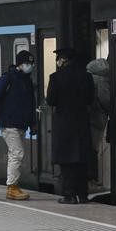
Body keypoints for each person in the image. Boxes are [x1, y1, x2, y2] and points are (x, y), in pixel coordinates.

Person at [45, 47, 95, 204]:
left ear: (63, 60)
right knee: (81, 159)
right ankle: (83, 195)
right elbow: (90, 99)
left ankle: (69, 195)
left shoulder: (55, 77)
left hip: (64, 124)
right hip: (81, 123)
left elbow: (51, 101)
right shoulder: (87, 77)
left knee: (66, 161)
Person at [0, 50, 37, 201]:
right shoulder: (7, 79)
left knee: (14, 154)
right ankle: (12, 187)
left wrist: (33, 123)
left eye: (31, 64)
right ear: (20, 64)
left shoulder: (27, 81)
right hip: (8, 123)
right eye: (27, 64)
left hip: (20, 123)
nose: (30, 66)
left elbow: (30, 104)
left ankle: (13, 186)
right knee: (17, 153)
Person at [86, 58, 111, 185]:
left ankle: (90, 176)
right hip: (97, 119)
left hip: (89, 118)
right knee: (94, 148)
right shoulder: (101, 81)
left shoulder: (88, 78)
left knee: (90, 146)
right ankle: (93, 177)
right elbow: (106, 100)